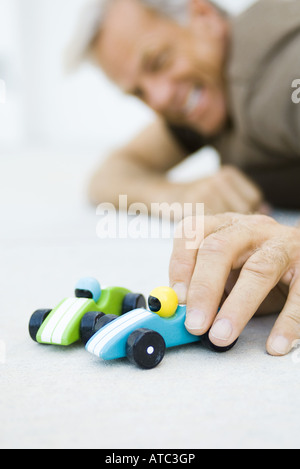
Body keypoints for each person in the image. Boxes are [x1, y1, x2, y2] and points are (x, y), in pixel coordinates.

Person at [67, 0, 300, 355]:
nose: (158, 98)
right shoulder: (207, 91)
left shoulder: (280, 76)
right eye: (139, 92)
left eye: (158, 61)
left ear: (203, 17)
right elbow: (110, 173)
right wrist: (180, 196)